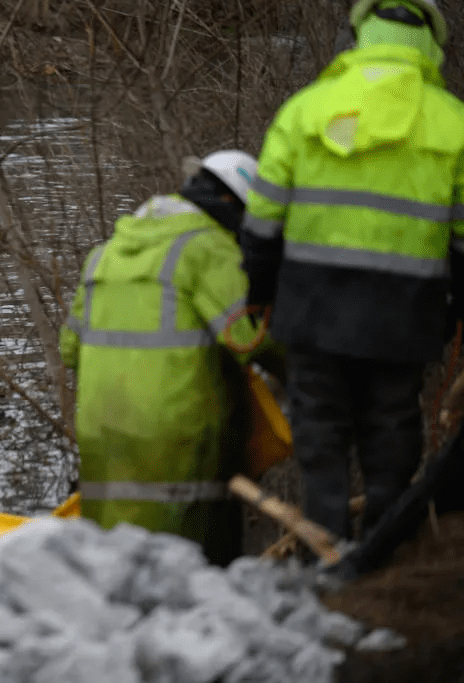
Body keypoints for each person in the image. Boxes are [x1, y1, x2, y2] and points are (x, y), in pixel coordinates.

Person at [240, 0, 464, 542]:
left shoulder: (306, 110)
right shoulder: (453, 123)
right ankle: (384, 550)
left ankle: (326, 550)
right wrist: (454, 308)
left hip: (312, 308)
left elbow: (264, 217)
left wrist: (260, 292)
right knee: (392, 429)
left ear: (359, 33)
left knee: (321, 432)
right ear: (432, 42)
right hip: (405, 314)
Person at [60, 150, 276, 565]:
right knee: (191, 567)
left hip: (102, 430)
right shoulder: (209, 249)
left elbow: (70, 351)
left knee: (110, 563)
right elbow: (250, 338)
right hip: (178, 433)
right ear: (236, 207)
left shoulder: (104, 254)